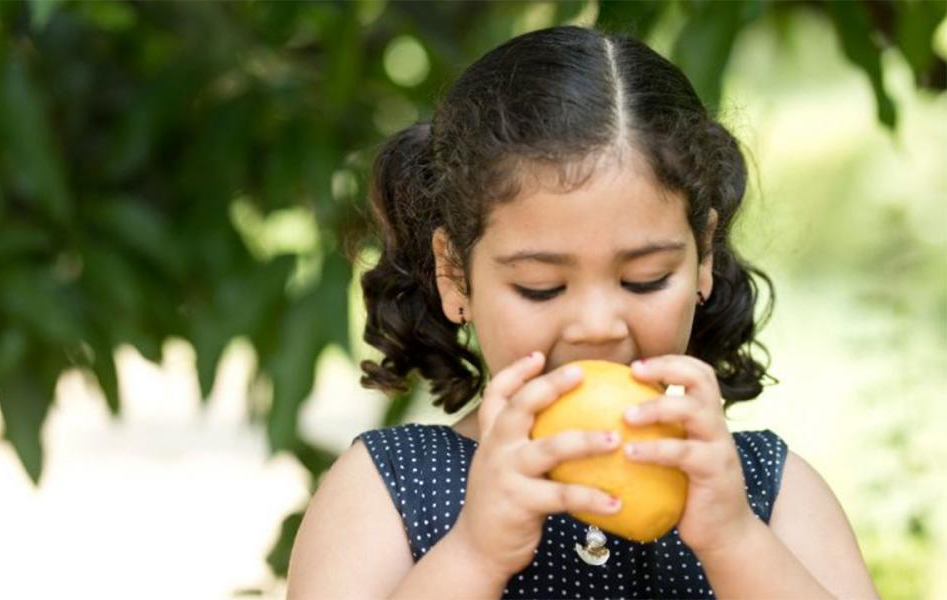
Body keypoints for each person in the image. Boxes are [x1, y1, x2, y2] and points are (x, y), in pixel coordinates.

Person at [287, 26, 877, 599]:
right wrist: (473, 556)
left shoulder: (769, 493)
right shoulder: (392, 489)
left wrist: (736, 542)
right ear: (455, 273)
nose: (598, 326)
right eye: (541, 287)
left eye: (645, 280)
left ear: (703, 258)